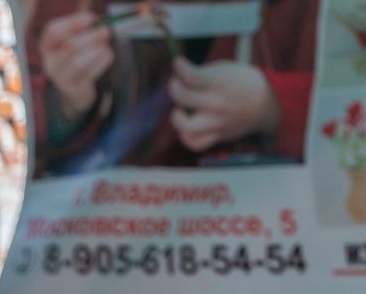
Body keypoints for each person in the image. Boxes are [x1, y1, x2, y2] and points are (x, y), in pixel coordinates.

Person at [25, 0, 317, 177]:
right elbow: (24, 116)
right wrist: (65, 103)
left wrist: (274, 104)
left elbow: (342, 101)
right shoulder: (73, 9)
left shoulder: (307, 12)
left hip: (269, 226)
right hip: (119, 228)